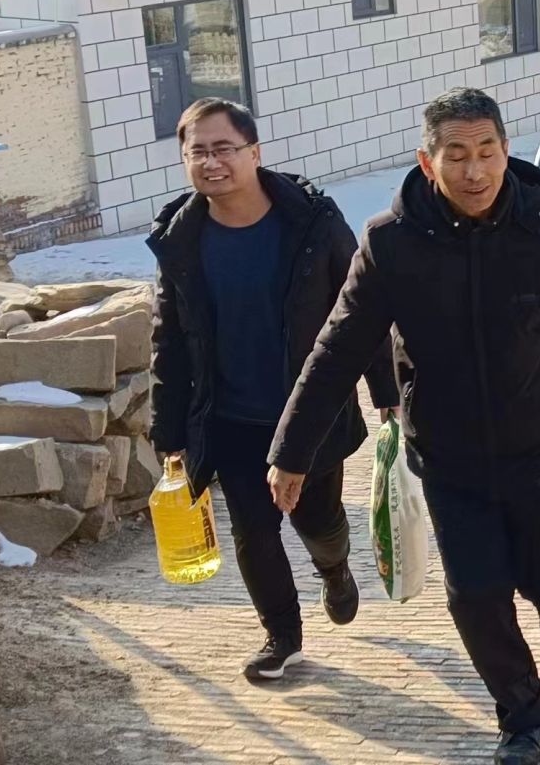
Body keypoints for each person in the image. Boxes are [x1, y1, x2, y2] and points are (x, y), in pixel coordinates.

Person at [270, 87, 540, 765]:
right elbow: (337, 350)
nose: (475, 171)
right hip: (449, 460)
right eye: (457, 155)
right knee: (475, 597)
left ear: (506, 150)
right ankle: (521, 716)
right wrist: (292, 450)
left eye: (487, 152)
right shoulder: (391, 243)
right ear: (428, 161)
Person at [146, 97, 397, 682]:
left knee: (317, 519)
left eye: (224, 149)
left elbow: (360, 309)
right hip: (230, 417)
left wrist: (385, 389)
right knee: (253, 532)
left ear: (254, 153)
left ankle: (334, 569)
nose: (211, 162)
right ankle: (282, 635)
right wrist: (168, 428)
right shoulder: (181, 238)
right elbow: (169, 338)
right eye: (198, 152)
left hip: (310, 413)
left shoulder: (311, 222)